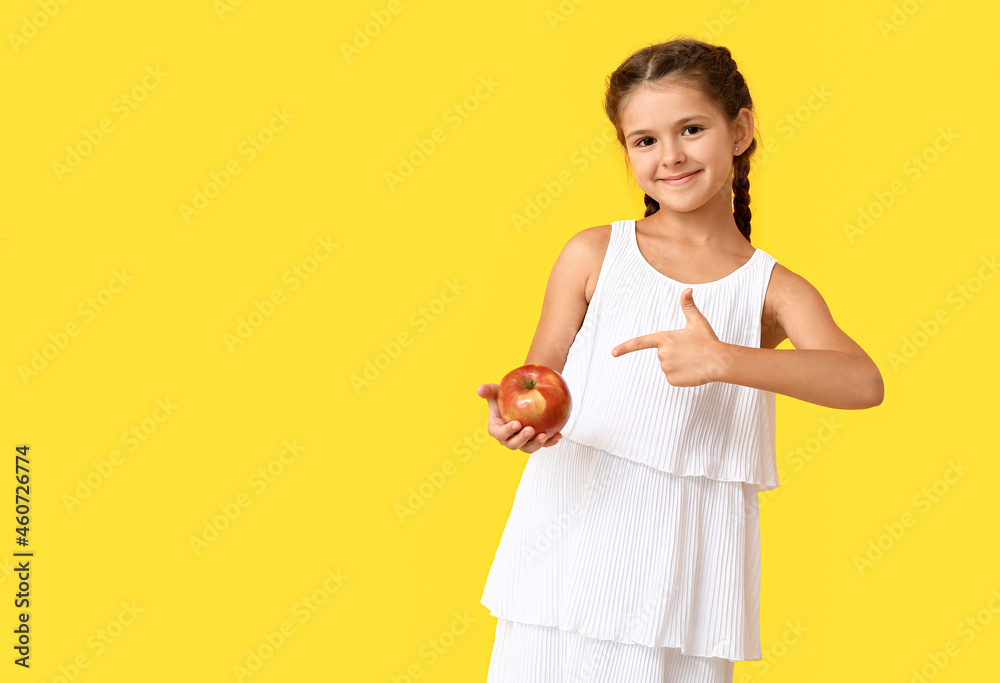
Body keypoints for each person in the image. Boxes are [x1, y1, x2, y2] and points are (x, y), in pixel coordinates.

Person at [476, 36, 884, 682]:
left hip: (689, 578)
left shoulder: (774, 290)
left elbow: (862, 380)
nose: (670, 155)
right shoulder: (592, 256)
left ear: (740, 130)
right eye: (644, 140)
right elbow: (537, 383)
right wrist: (515, 422)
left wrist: (726, 360)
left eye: (691, 129)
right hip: (565, 565)